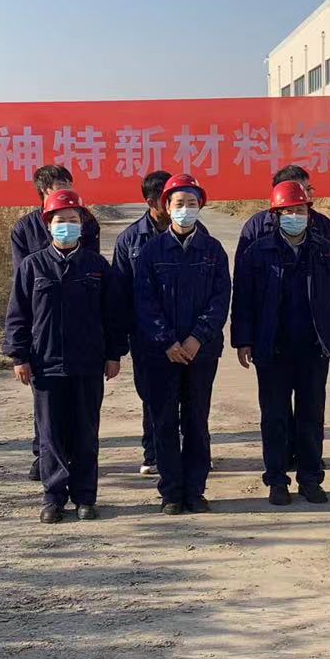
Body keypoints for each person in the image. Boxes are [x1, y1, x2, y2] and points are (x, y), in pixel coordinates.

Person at [3, 190, 128, 524]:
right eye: (61, 220)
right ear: (48, 225)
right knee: (51, 434)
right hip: (45, 365)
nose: (67, 226)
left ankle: (85, 497)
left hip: (88, 363)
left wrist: (114, 354)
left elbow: (113, 315)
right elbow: (18, 316)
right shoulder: (32, 266)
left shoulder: (97, 267)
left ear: (82, 226)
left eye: (74, 220)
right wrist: (19, 356)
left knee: (86, 433)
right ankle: (53, 497)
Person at [231, 180, 330, 505]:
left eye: (300, 210)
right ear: (275, 215)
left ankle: (310, 478)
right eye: (288, 211)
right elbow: (242, 299)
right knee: (274, 418)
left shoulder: (325, 250)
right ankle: (277, 480)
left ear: (309, 213)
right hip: (271, 348)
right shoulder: (257, 253)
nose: (295, 216)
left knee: (311, 417)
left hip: (313, 347)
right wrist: (243, 340)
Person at [134, 173, 231, 515]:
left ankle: (195, 489)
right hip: (162, 354)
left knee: (196, 421)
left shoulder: (213, 250)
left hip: (201, 352)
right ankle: (171, 492)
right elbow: (144, 301)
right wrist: (167, 341)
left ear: (200, 206)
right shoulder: (151, 251)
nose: (185, 209)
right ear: (167, 206)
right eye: (179, 203)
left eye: (192, 203)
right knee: (164, 422)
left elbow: (220, 299)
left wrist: (196, 338)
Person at [10, 164, 100, 482]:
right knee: (46, 408)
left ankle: (78, 472)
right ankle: (45, 460)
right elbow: (22, 288)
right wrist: (19, 352)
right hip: (44, 325)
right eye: (59, 187)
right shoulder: (24, 229)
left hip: (80, 328)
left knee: (81, 409)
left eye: (69, 185)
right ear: (44, 194)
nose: (67, 193)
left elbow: (91, 272)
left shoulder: (87, 223)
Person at [111, 170, 173, 476]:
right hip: (146, 335)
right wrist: (119, 342)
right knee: (151, 394)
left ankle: (189, 451)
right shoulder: (130, 239)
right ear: (151, 202)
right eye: (167, 199)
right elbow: (120, 292)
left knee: (189, 395)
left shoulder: (196, 233)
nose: (175, 205)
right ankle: (154, 451)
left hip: (184, 332)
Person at [237, 164, 330, 257]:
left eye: (308, 189)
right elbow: (243, 267)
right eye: (298, 190)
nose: (306, 195)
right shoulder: (257, 226)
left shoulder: (323, 225)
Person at [11, 164, 100, 267]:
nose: (68, 189)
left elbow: (94, 263)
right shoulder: (25, 227)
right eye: (61, 184)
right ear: (44, 189)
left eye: (70, 184)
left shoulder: (87, 220)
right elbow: (22, 270)